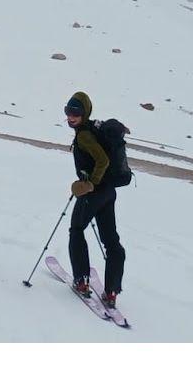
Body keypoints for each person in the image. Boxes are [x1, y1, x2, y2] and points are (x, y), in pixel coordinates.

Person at [64, 90, 127, 308]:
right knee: (111, 241)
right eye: (68, 111)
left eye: (76, 113)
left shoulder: (84, 135)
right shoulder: (90, 129)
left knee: (76, 229)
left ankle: (81, 280)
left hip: (95, 192)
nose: (71, 117)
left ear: (85, 113)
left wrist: (90, 183)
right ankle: (111, 291)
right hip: (109, 193)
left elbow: (102, 161)